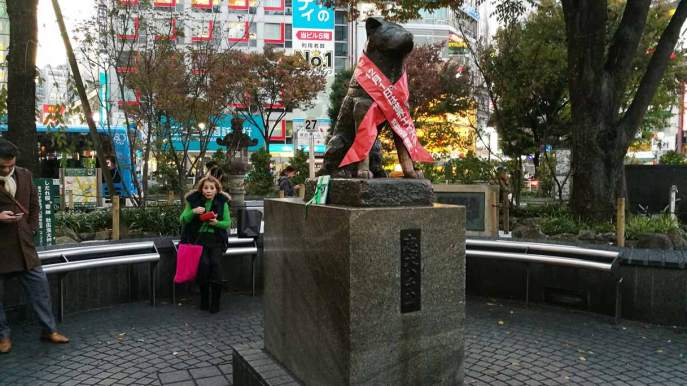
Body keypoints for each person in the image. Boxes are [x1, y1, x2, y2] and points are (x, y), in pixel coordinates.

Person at [0, 139, 69, 354]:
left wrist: (30, 229)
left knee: (40, 288)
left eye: (10, 165)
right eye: (2, 166)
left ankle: (49, 329)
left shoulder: (25, 175)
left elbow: (34, 206)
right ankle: (3, 336)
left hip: (24, 246)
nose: (7, 169)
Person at [179, 176, 231, 313]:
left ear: (216, 190)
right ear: (201, 189)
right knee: (204, 266)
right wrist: (193, 212)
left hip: (216, 239)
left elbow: (227, 223)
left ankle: (215, 303)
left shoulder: (222, 202)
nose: (208, 190)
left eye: (212, 188)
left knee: (216, 267)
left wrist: (217, 223)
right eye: (206, 187)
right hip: (198, 240)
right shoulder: (193, 200)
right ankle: (204, 300)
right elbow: (183, 219)